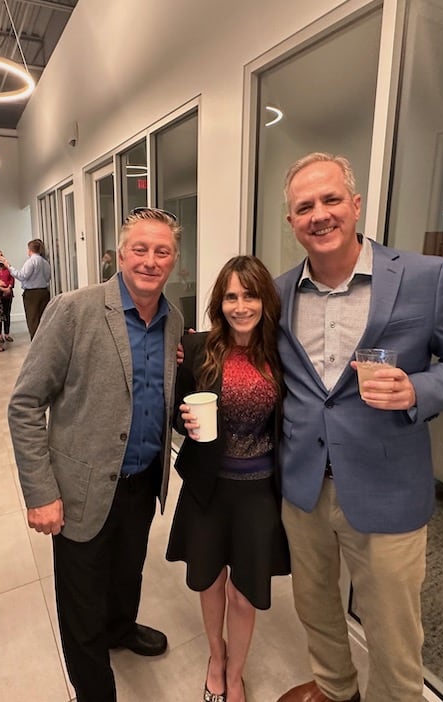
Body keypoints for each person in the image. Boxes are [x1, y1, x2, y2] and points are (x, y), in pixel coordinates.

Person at [274, 153, 443, 702]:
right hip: (303, 484)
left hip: (388, 486)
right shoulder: (278, 292)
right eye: (305, 207)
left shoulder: (424, 277)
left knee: (394, 630)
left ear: (355, 205)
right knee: (314, 603)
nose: (319, 215)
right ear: (292, 222)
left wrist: (418, 390)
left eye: (331, 200)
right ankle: (334, 686)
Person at [8, 208, 185, 702]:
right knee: (81, 601)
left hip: (144, 479)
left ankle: (121, 629)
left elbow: (154, 392)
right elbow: (25, 403)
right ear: (121, 253)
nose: (150, 261)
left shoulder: (174, 319)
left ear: (175, 260)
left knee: (127, 573)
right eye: (140, 249)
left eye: (162, 251)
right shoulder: (73, 309)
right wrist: (41, 493)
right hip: (80, 487)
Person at [167, 255, 290, 702]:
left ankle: (235, 674)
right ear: (220, 302)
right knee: (210, 581)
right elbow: (177, 414)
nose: (241, 306)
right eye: (232, 296)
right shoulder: (198, 348)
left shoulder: (281, 351)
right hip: (208, 488)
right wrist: (183, 418)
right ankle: (215, 658)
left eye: (250, 295)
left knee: (244, 593)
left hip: (259, 490)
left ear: (265, 301)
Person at [1, 239, 52, 340]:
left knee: (32, 319)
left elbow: (22, 276)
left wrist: (9, 267)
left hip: (32, 294)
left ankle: (35, 342)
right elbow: (48, 277)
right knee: (43, 318)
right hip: (44, 292)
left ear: (30, 249)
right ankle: (44, 340)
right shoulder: (45, 262)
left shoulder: (31, 261)